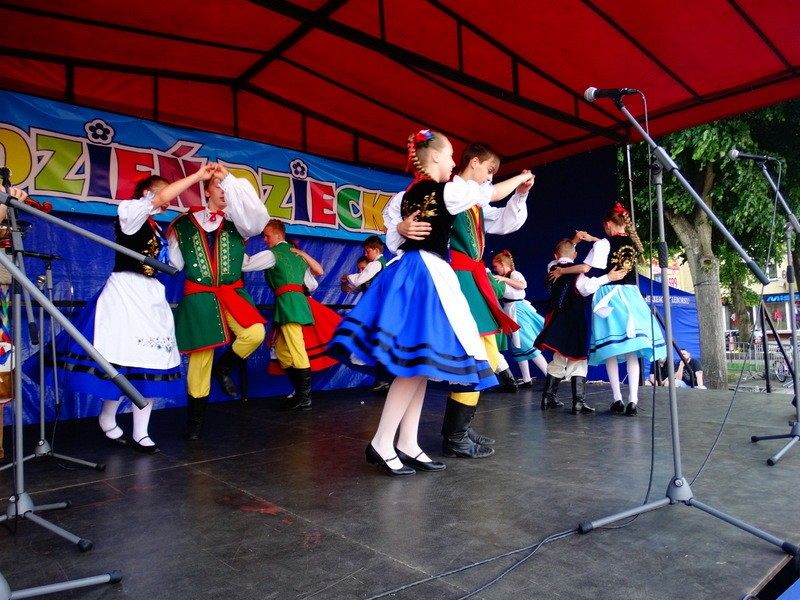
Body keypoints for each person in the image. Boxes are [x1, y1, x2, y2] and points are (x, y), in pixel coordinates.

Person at [329, 129, 533, 476]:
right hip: (426, 273)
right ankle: (382, 442)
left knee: (421, 364)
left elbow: (399, 234)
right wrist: (522, 178)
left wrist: (401, 230)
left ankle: (408, 442)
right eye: (450, 155)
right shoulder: (447, 191)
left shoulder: (416, 194)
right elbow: (493, 192)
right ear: (435, 157)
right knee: (414, 364)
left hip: (424, 271)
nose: (454, 162)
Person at [384, 141, 532, 459]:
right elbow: (399, 222)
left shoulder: (470, 198)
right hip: (451, 277)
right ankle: (451, 434)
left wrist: (520, 194)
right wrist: (399, 226)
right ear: (473, 162)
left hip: (469, 279)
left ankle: (454, 430)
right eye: (489, 170)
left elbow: (504, 221)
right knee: (475, 352)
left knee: (477, 352)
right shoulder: (450, 192)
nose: (490, 177)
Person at [58, 170, 218, 452]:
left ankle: (140, 432)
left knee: (150, 359)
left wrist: (178, 238)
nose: (168, 201)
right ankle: (108, 415)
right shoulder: (130, 212)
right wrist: (197, 177)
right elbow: (160, 198)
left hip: (150, 294)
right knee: (121, 358)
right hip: (125, 292)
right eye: (163, 194)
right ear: (147, 193)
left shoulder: (155, 228)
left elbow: (173, 264)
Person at [167, 164, 269, 440]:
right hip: (199, 294)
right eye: (217, 186)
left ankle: (224, 368)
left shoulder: (241, 221)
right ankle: (195, 423)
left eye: (226, 187)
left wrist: (230, 179)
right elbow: (174, 263)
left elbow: (259, 217)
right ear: (206, 191)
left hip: (231, 291)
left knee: (255, 332)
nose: (223, 191)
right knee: (200, 359)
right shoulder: (183, 223)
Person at [551, 203, 666, 416]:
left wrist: (562, 270)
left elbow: (586, 267)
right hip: (631, 296)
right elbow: (610, 244)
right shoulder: (633, 242)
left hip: (609, 297)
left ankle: (617, 398)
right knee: (631, 350)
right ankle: (633, 400)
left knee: (610, 350)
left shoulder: (603, 244)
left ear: (608, 224)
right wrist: (594, 239)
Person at [245, 219, 340, 411]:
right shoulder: (297, 255)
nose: (265, 239)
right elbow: (313, 283)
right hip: (295, 303)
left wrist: (238, 247)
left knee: (297, 348)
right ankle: (300, 392)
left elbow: (246, 265)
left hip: (288, 304)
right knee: (282, 351)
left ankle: (305, 397)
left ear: (277, 235)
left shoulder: (273, 254)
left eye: (267, 236)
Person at [535, 237, 626, 413]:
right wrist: (609, 277)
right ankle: (578, 402)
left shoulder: (551, 268)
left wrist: (573, 242)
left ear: (556, 255)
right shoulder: (579, 277)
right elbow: (589, 286)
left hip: (556, 321)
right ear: (576, 255)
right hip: (574, 323)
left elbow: (562, 257)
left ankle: (548, 397)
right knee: (578, 360)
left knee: (559, 358)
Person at [491, 250, 548, 387]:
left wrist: (504, 279)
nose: (495, 269)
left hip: (518, 310)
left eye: (496, 266)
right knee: (518, 346)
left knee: (527, 343)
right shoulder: (502, 277)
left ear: (503, 264)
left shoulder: (514, 274)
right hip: (510, 312)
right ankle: (527, 379)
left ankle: (550, 377)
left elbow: (522, 285)